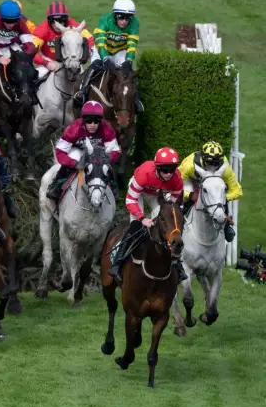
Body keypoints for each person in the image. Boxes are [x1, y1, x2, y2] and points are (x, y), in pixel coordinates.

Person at [108, 147, 185, 283]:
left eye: (172, 170)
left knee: (167, 226)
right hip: (139, 191)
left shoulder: (177, 180)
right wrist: (142, 218)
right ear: (157, 168)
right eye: (165, 170)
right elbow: (131, 200)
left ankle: (177, 264)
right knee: (136, 226)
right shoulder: (144, 174)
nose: (169, 174)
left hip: (158, 194)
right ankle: (117, 263)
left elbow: (172, 207)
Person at [45, 101, 121, 202]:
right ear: (83, 120)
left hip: (98, 153)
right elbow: (60, 152)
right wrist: (74, 163)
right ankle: (56, 187)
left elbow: (115, 150)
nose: (92, 124)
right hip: (77, 150)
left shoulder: (107, 128)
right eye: (89, 121)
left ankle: (114, 191)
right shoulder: (74, 128)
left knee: (106, 167)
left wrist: (108, 158)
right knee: (74, 157)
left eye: (96, 121)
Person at [78, 0, 142, 111]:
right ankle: (82, 92)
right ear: (115, 15)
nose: (124, 21)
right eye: (121, 17)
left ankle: (136, 99)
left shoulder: (134, 23)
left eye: (127, 18)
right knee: (95, 66)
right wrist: (105, 59)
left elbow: (132, 44)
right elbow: (100, 42)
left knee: (129, 72)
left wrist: (129, 60)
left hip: (120, 51)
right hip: (102, 49)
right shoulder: (104, 20)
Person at [178, 140, 241, 242]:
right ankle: (178, 222)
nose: (212, 167)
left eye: (216, 164)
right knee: (186, 192)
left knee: (219, 192)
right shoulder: (189, 165)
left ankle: (226, 227)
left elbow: (237, 191)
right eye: (209, 163)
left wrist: (220, 198)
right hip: (191, 181)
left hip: (212, 186)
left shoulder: (225, 169)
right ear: (203, 159)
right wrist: (189, 195)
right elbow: (174, 187)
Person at [31, 1, 93, 77]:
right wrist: (46, 63)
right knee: (40, 74)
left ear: (66, 19)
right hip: (50, 61)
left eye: (61, 20)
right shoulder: (41, 30)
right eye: (54, 21)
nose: (58, 24)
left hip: (72, 61)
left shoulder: (75, 26)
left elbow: (90, 40)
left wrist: (84, 55)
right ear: (49, 21)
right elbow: (31, 51)